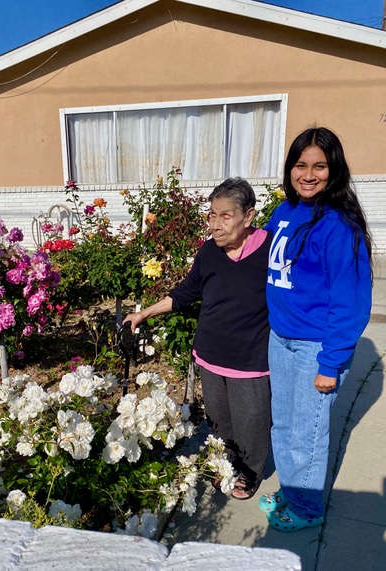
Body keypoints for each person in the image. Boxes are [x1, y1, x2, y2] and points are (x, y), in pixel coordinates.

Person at [124, 177, 273, 500]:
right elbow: (185, 292)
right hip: (210, 354)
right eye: (211, 215)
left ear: (248, 216)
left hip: (250, 360)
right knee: (219, 421)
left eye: (225, 216)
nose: (215, 226)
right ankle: (225, 463)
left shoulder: (270, 251)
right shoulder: (209, 251)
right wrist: (143, 313)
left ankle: (250, 472)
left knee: (252, 421)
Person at [259, 127, 372, 531]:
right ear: (290, 168)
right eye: (301, 165)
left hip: (314, 348)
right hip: (281, 338)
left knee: (307, 432)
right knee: (284, 424)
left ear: (334, 170)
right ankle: (293, 492)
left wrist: (331, 362)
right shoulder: (284, 212)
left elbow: (352, 302)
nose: (309, 174)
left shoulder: (339, 227)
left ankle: (307, 509)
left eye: (320, 166)